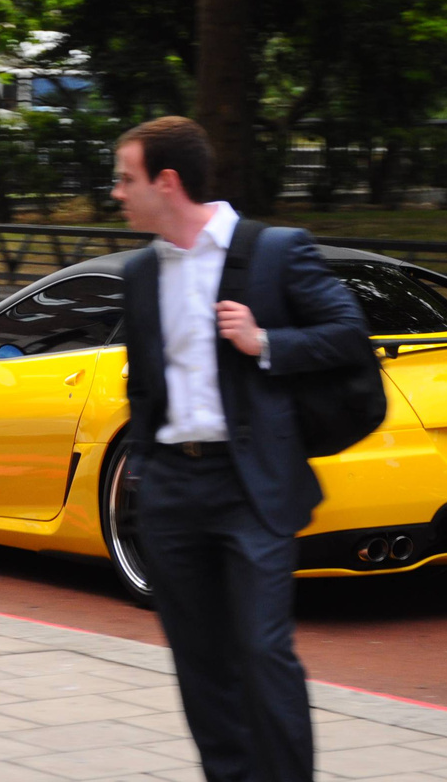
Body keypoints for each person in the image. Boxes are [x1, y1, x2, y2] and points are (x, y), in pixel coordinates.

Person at [111, 116, 369, 782]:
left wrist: (266, 343)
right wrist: (145, 465)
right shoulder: (140, 273)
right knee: (199, 661)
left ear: (167, 182)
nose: (117, 192)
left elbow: (348, 333)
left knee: (261, 649)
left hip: (249, 486)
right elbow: (144, 382)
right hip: (171, 490)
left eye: (125, 178)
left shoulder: (275, 251)